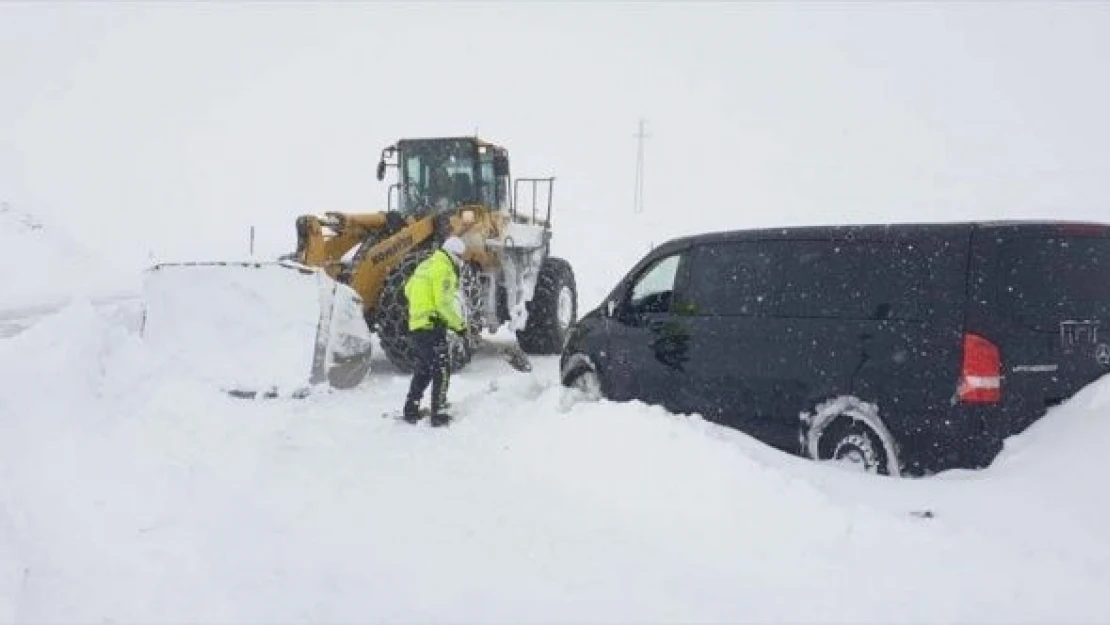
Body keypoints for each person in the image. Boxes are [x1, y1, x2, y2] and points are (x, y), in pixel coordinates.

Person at [401, 235, 468, 426]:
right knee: (441, 369)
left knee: (424, 369)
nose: (462, 262)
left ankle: (411, 409)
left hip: (416, 325)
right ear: (455, 255)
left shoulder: (426, 265)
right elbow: (443, 304)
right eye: (461, 258)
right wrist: (460, 326)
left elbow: (408, 290)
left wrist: (422, 307)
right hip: (432, 327)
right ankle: (438, 412)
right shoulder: (444, 270)